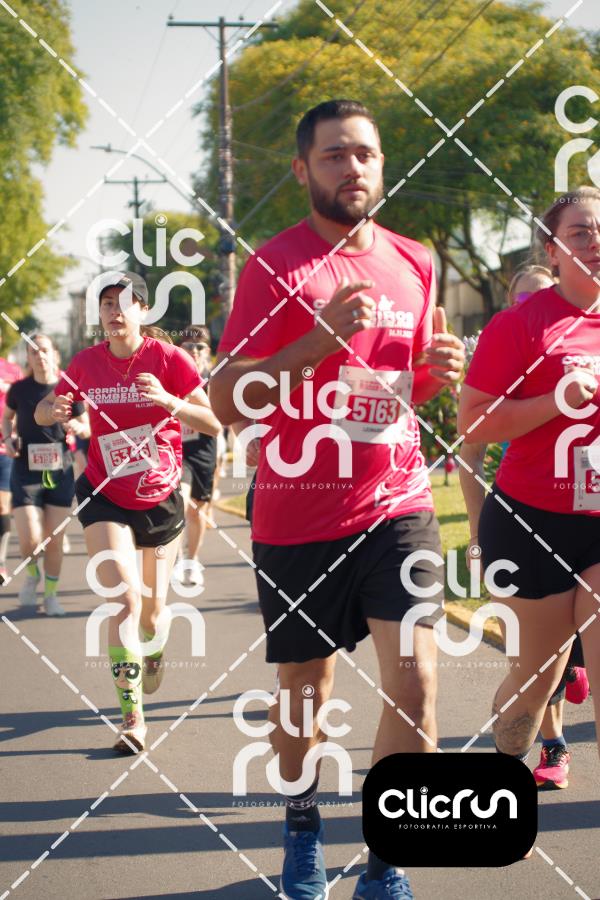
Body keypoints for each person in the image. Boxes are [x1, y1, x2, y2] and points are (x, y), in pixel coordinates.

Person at [211, 99, 465, 900]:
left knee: (417, 688)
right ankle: (302, 827)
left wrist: (435, 376)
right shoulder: (273, 267)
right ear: (302, 169)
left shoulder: (415, 261)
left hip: (399, 503)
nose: (352, 167)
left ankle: (385, 862)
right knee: (305, 694)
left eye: (365, 153)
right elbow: (226, 400)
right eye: (333, 155)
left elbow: (396, 386)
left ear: (381, 164)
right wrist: (316, 340)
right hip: (300, 513)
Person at [34, 271, 221, 754]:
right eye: (106, 305)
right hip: (104, 492)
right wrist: (53, 411)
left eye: (123, 303)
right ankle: (133, 720)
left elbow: (212, 422)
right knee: (125, 601)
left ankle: (153, 646)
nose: (114, 312)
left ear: (143, 309)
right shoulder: (86, 362)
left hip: (159, 496)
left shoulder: (170, 359)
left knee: (152, 615)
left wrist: (169, 400)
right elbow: (44, 409)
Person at [458, 186, 600, 804]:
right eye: (581, 232)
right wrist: (554, 401)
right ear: (552, 248)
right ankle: (509, 762)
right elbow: (473, 423)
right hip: (531, 521)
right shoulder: (521, 324)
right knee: (537, 679)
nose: (595, 242)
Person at [2, 333, 89, 615]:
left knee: (54, 540)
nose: (40, 355)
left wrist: (79, 427)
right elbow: (7, 417)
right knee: (29, 536)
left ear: (55, 354)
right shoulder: (19, 389)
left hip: (59, 469)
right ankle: (32, 574)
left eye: (44, 350)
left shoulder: (68, 388)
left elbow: (87, 426)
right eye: (33, 351)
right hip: (25, 469)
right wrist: (8, 437)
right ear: (28, 358)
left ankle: (51, 595)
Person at [175, 327, 219, 587]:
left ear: (207, 352)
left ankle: (192, 561)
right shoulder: (170, 375)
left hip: (203, 449)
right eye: (188, 345)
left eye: (199, 346)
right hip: (176, 450)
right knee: (180, 503)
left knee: (197, 511)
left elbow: (222, 417)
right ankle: (177, 556)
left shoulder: (215, 380)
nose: (194, 350)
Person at [0, 336, 22, 583]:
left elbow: (22, 407)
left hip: (3, 448)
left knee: (2, 505)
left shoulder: (12, 371)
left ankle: (1, 562)